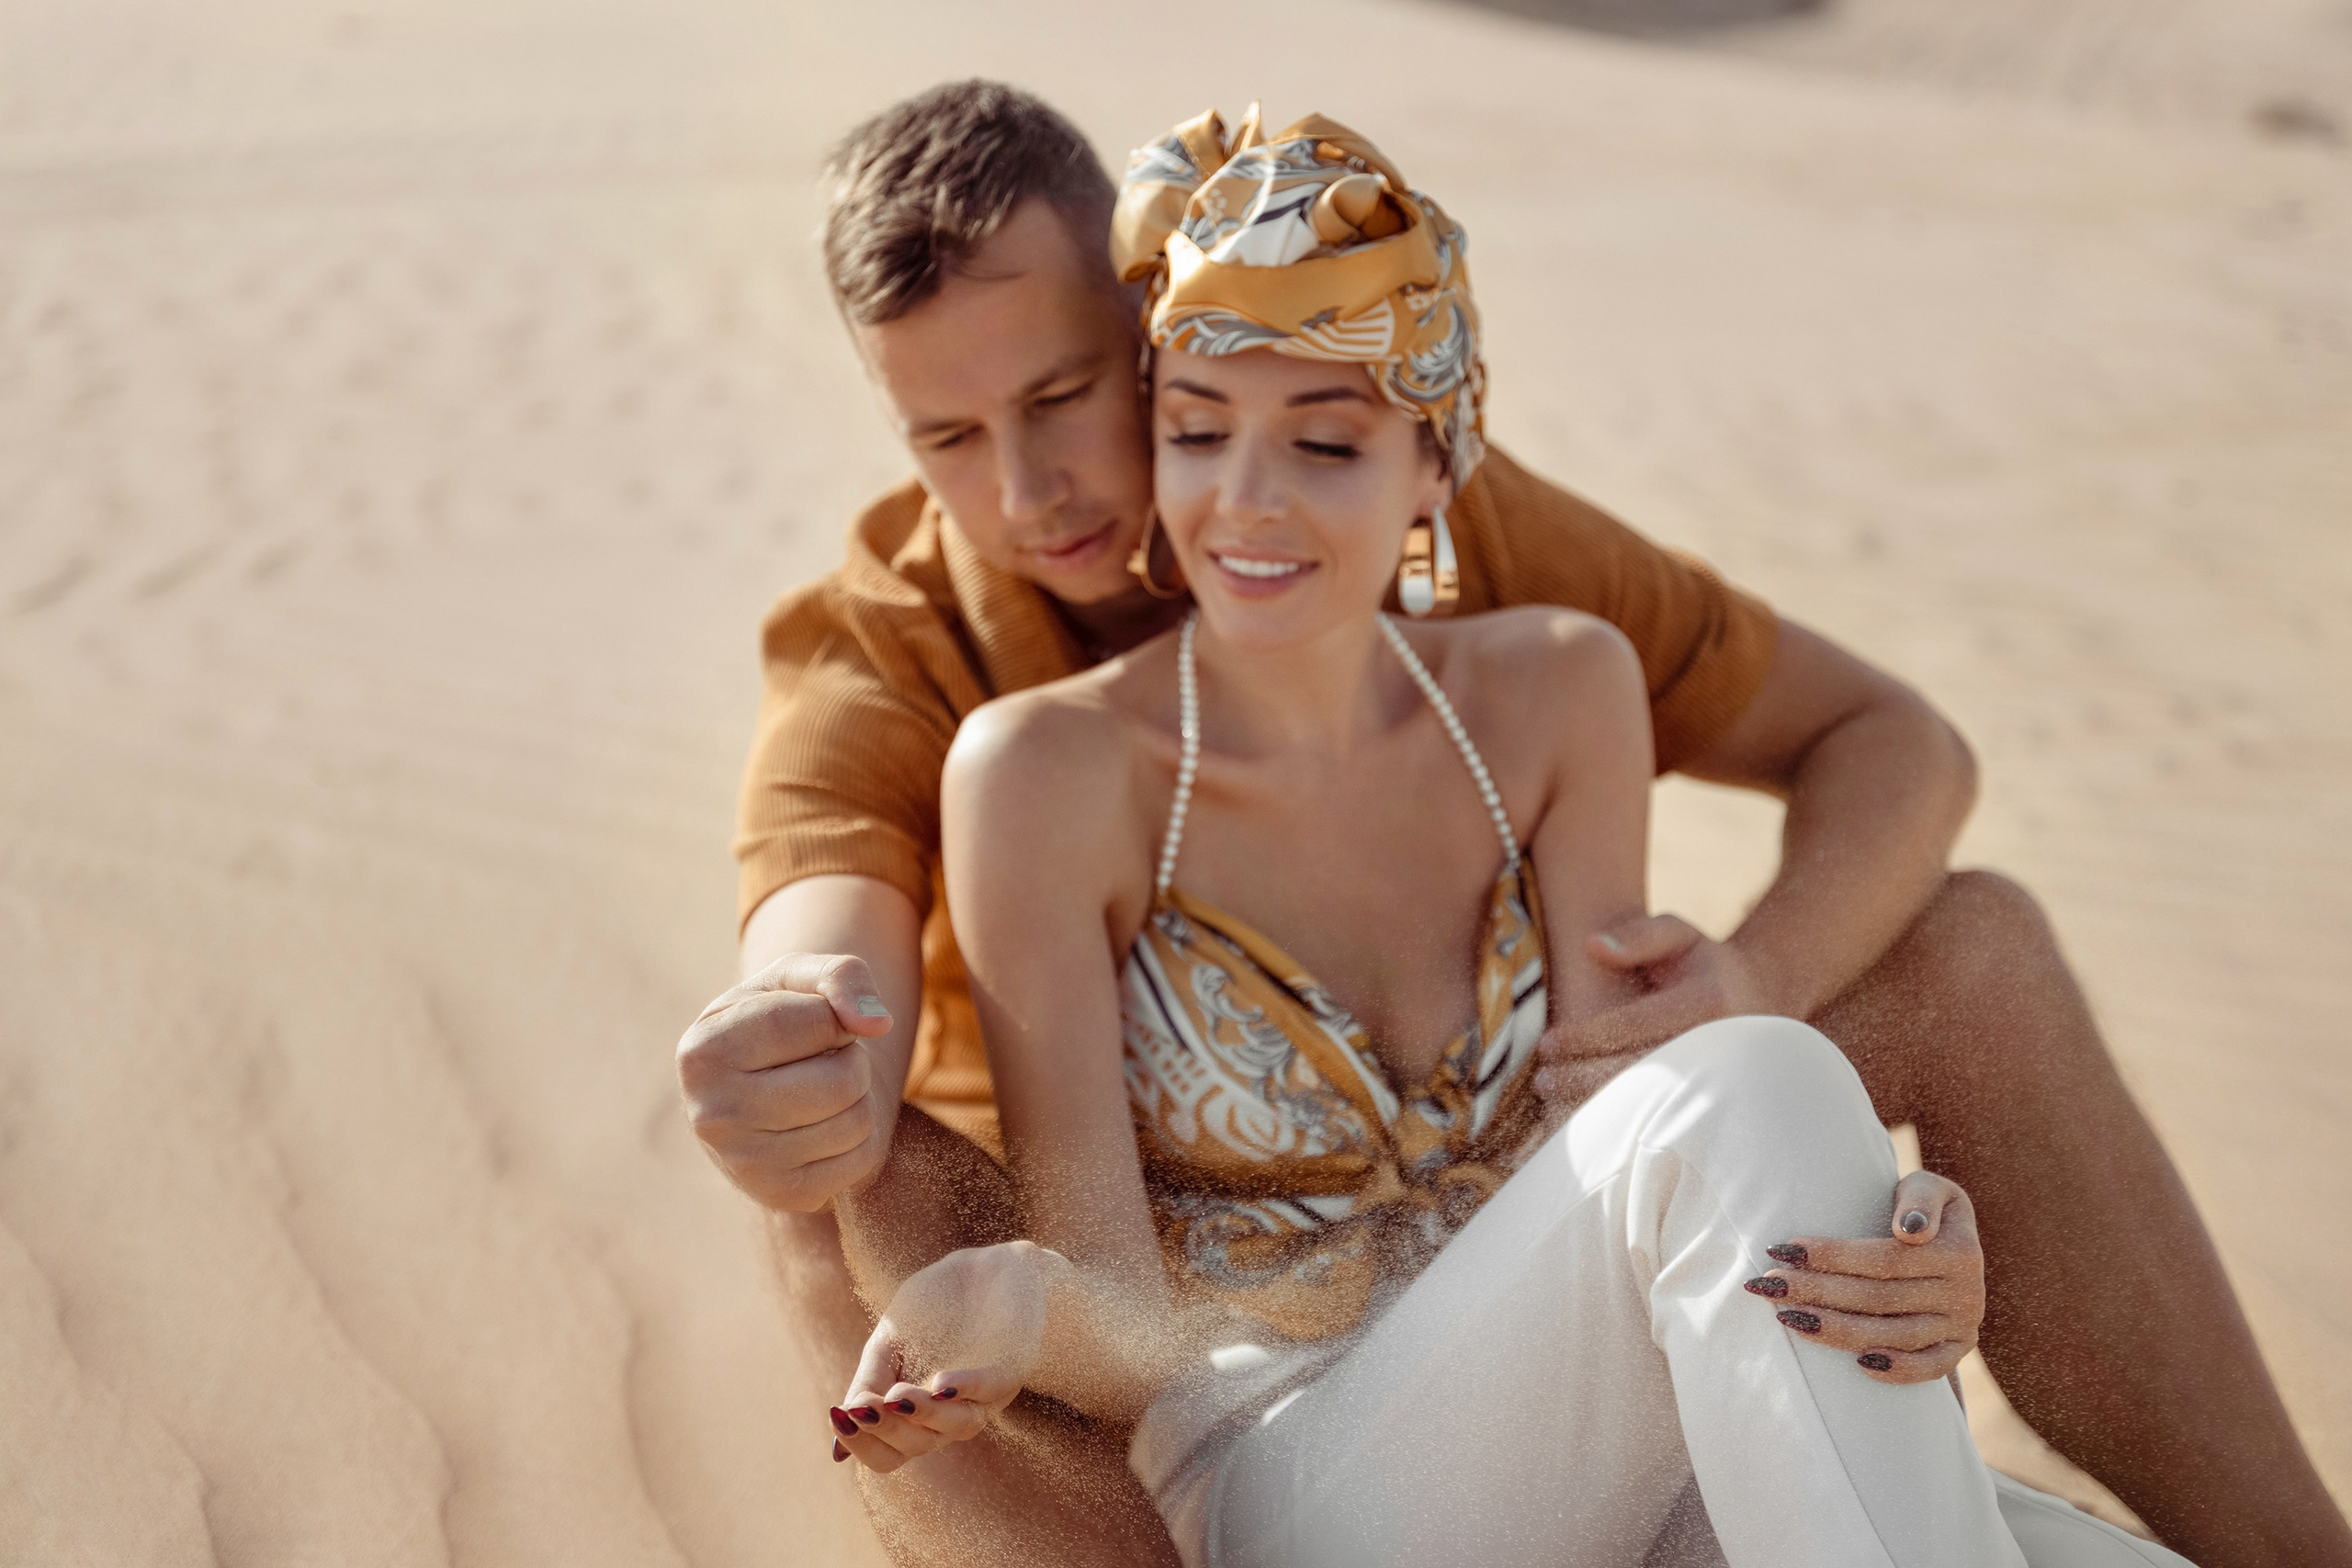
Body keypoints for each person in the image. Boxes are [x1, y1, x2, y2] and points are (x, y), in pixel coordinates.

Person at [674, 81, 2350, 1567]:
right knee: (842, 1174)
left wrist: (1775, 1014)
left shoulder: (1469, 565)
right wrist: (799, 1048)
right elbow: (821, 971)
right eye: (950, 438)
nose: (1033, 487)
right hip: (1171, 1355)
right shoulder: (919, 677)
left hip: (1525, 1290)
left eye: (1063, 396)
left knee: (1919, 988)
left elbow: (1888, 746)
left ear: (1153, 320)